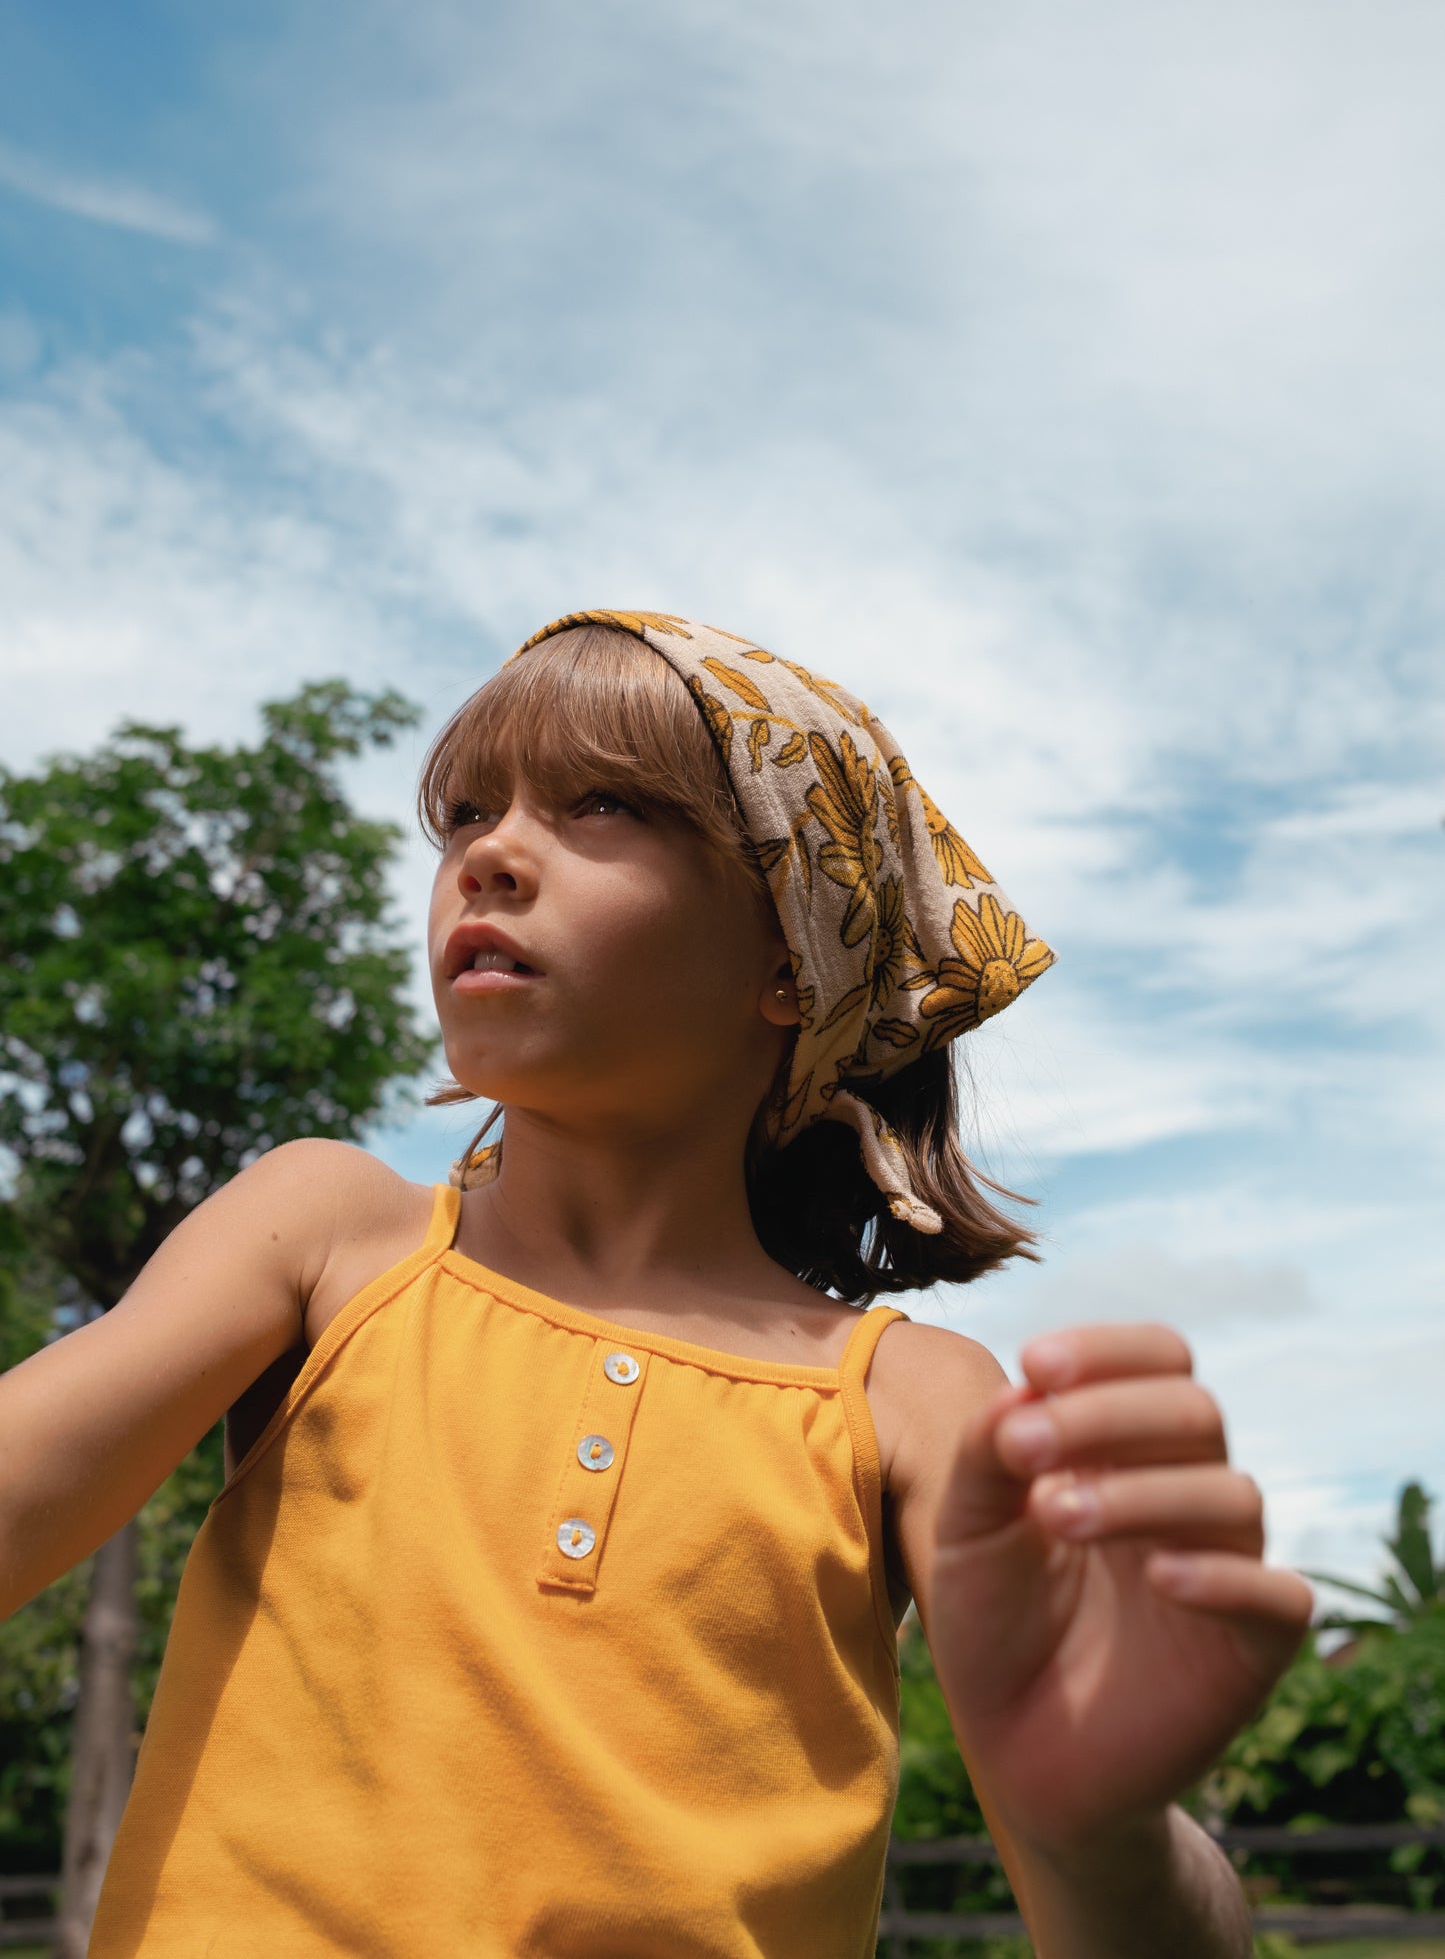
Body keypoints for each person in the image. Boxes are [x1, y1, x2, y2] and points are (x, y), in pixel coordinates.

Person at [0, 611, 1312, 1958]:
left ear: (792, 959)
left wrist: (1097, 1834)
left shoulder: (913, 1402)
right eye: (463, 814)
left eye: (604, 804)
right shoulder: (331, 1235)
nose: (486, 855)